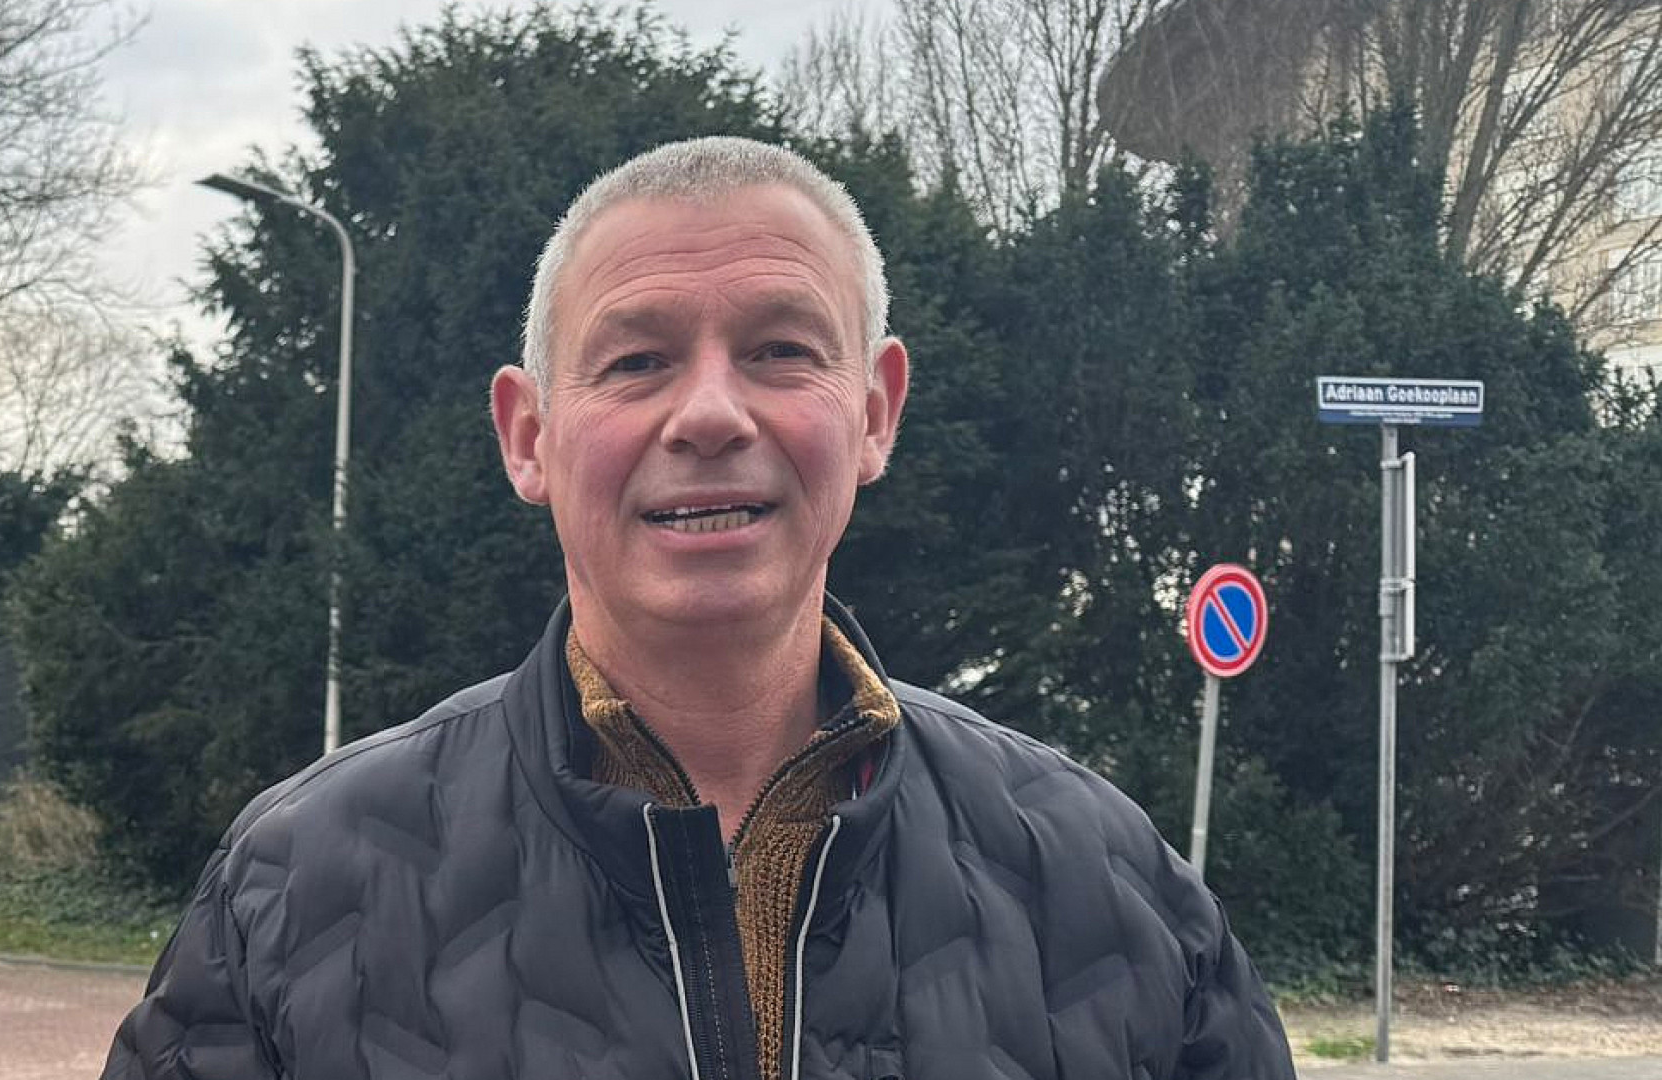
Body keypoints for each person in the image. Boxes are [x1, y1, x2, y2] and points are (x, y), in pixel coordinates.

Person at [101, 136, 1296, 1080]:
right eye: (637, 361)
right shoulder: (291, 891)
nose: (712, 414)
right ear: (529, 436)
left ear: (876, 411)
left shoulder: (1114, 891)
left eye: (781, 349)